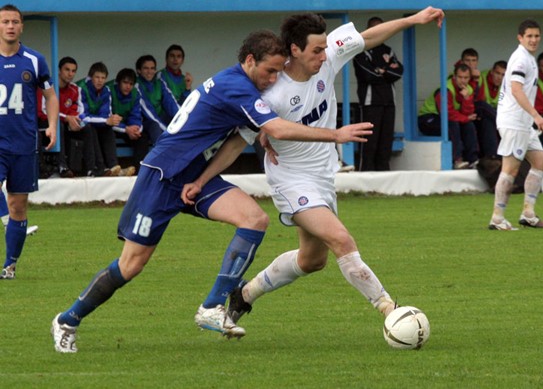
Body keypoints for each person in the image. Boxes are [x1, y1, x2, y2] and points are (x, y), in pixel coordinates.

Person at [50, 29, 373, 353]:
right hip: (162, 174)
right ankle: (67, 319)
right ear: (249, 60)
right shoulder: (237, 88)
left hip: (192, 173)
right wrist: (334, 134)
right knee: (131, 265)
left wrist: (220, 168)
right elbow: (274, 126)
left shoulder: (243, 86)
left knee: (255, 219)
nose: (274, 78)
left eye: (278, 71)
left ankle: (212, 306)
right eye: (270, 71)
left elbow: (250, 135)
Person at [202, 8, 445, 335]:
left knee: (312, 260)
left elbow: (368, 37)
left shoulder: (327, 56)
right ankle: (391, 311)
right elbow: (235, 142)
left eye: (324, 47)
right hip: (290, 180)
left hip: (322, 176)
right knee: (341, 239)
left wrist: (413, 20)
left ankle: (244, 295)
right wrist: (202, 179)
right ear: (295, 50)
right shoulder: (272, 95)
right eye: (316, 50)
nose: (324, 53)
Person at [0, 4, 58, 279]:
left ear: (22, 27)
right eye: (5, 22)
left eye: (14, 22)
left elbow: (50, 96)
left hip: (23, 144)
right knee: (7, 209)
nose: (10, 26)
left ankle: (10, 265)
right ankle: (3, 220)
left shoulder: (35, 60)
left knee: (18, 206)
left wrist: (53, 126)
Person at [488, 19, 543, 231]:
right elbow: (516, 90)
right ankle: (497, 218)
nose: (533, 40)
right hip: (514, 121)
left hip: (524, 123)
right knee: (510, 170)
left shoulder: (529, 58)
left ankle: (528, 213)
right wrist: (536, 116)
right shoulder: (520, 60)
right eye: (529, 36)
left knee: (540, 162)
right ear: (520, 38)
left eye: (536, 36)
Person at [353, 16, 403, 171]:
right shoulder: (361, 52)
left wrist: (382, 71)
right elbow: (368, 75)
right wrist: (386, 72)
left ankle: (384, 178)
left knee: (385, 142)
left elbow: (399, 72)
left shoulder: (388, 50)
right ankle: (365, 175)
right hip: (370, 103)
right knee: (369, 142)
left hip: (389, 102)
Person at [38, 56, 99, 178]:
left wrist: (75, 120)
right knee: (58, 125)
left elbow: (81, 110)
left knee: (87, 128)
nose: (70, 74)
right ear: (59, 70)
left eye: (73, 71)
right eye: (67, 70)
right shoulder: (47, 87)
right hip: (46, 127)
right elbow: (43, 111)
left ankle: (91, 169)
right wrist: (66, 118)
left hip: (67, 125)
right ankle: (62, 167)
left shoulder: (75, 89)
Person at [77, 62, 135, 177]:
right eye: (97, 77)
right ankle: (100, 168)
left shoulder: (105, 90)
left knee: (107, 129)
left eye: (103, 78)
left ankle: (114, 167)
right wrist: (106, 121)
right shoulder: (81, 88)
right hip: (80, 126)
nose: (100, 81)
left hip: (95, 124)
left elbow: (106, 115)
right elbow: (83, 116)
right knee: (91, 128)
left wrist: (109, 121)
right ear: (90, 77)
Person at [418, 63, 480, 169]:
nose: (463, 80)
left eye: (466, 78)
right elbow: (448, 113)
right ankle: (457, 160)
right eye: (460, 77)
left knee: (468, 125)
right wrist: (465, 118)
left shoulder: (468, 89)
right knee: (452, 124)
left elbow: (467, 113)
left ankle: (473, 160)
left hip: (447, 118)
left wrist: (466, 99)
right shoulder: (446, 89)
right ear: (454, 77)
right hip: (427, 119)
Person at [107, 68, 149, 171]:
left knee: (142, 138)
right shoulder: (109, 91)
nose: (128, 86)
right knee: (107, 133)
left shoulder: (135, 94)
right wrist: (126, 129)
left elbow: (136, 115)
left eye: (131, 84)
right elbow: (107, 117)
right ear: (118, 82)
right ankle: (112, 168)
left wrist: (135, 129)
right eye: (125, 82)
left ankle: (138, 171)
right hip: (111, 126)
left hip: (127, 128)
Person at [135, 54, 180, 145]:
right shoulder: (136, 85)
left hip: (159, 119)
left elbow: (170, 101)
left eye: (152, 68)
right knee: (155, 125)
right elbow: (149, 113)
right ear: (138, 70)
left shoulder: (159, 82)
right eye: (146, 68)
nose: (149, 71)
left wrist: (182, 118)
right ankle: (161, 156)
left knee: (177, 120)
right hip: (145, 122)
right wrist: (167, 131)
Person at [475, 60, 506, 158]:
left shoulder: (506, 85)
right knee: (482, 105)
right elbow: (476, 102)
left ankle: (493, 157)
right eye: (497, 73)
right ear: (492, 71)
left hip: (489, 117)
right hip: (476, 114)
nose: (499, 77)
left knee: (488, 123)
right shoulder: (481, 78)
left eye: (503, 75)